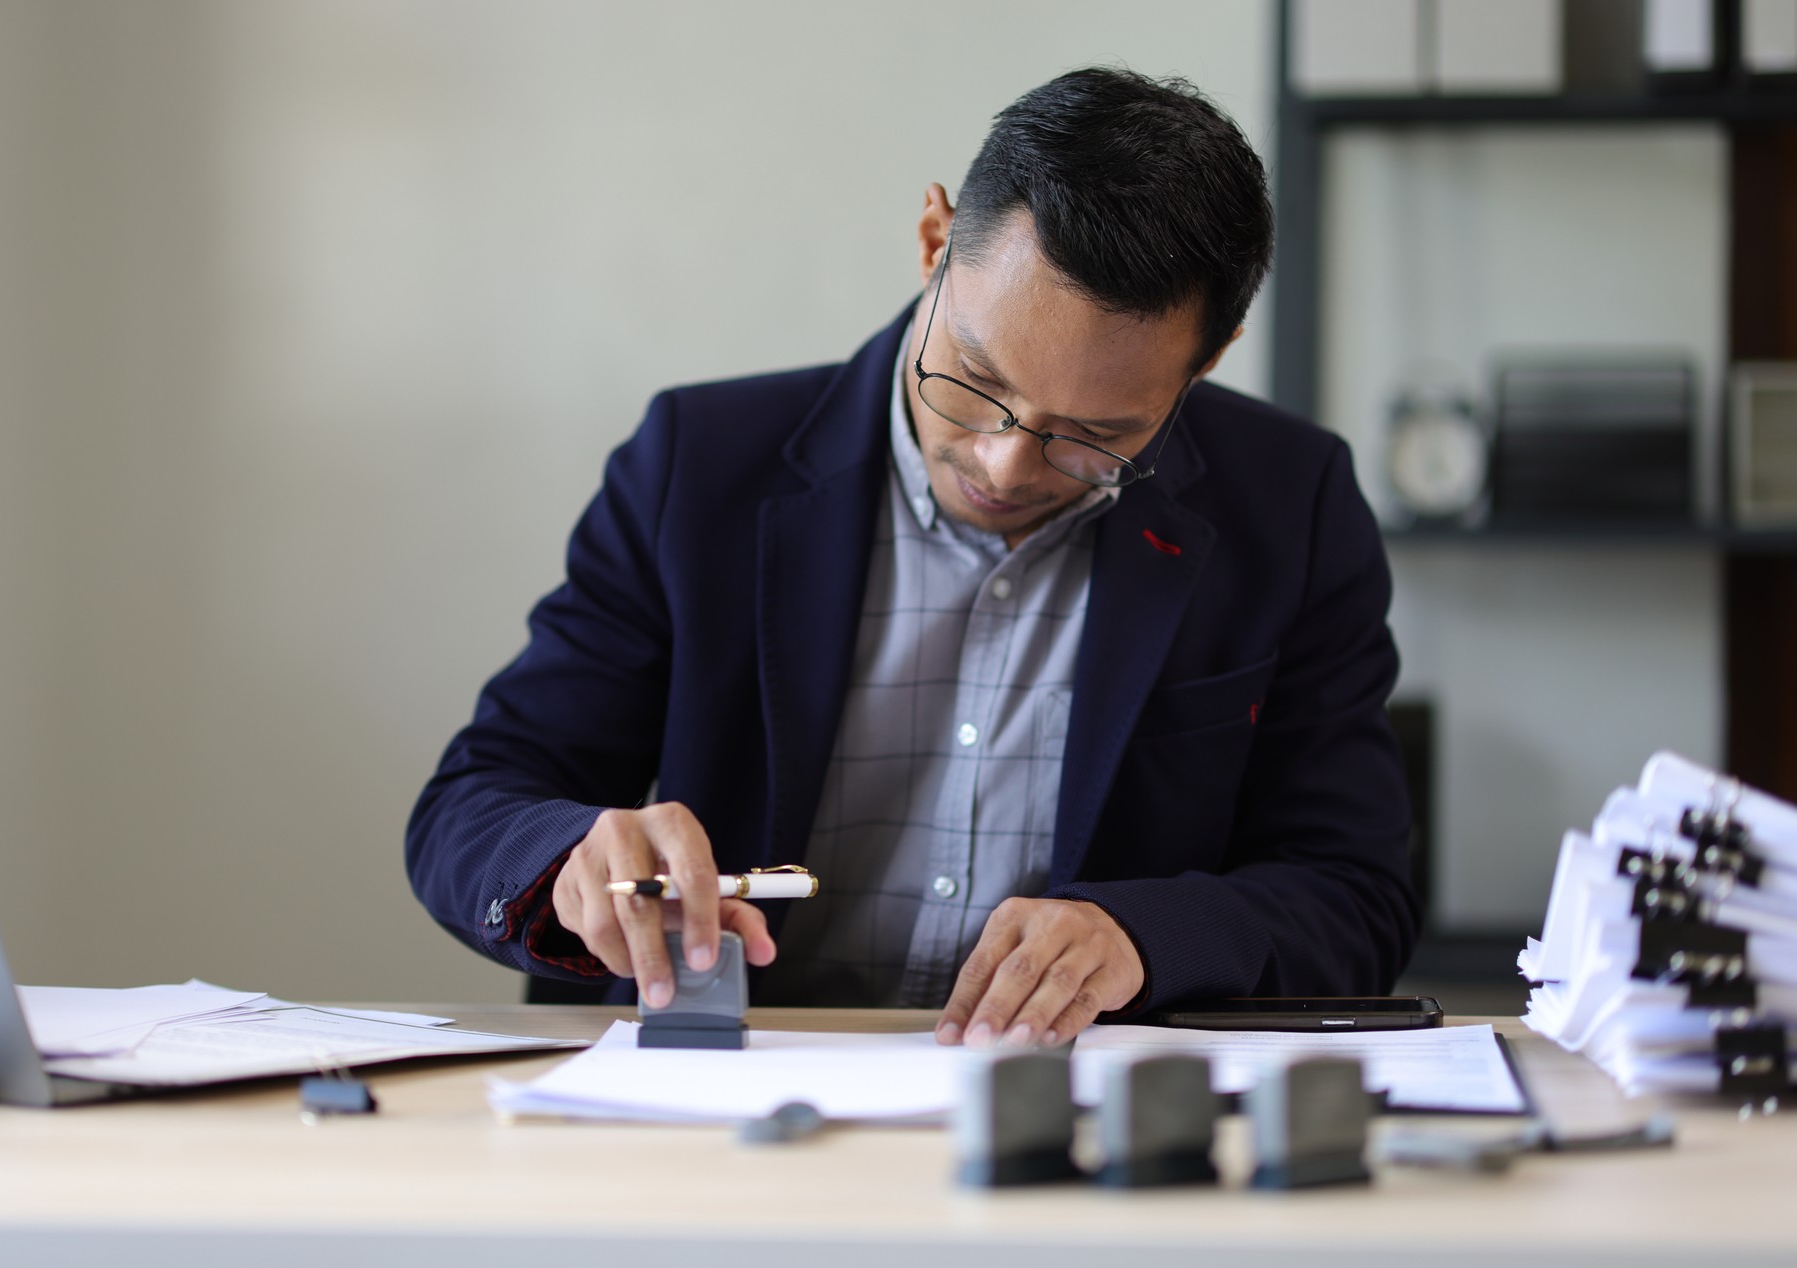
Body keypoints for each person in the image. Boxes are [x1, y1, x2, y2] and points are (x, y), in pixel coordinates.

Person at [407, 67, 1417, 1049]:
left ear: (1212, 352)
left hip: (1070, 1119)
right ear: (935, 240)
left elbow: (1355, 892)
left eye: (1094, 432)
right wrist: (573, 857)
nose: (1006, 460)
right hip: (722, 1099)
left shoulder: (1290, 503)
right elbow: (473, 804)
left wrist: (1142, 936)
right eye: (975, 381)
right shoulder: (699, 466)